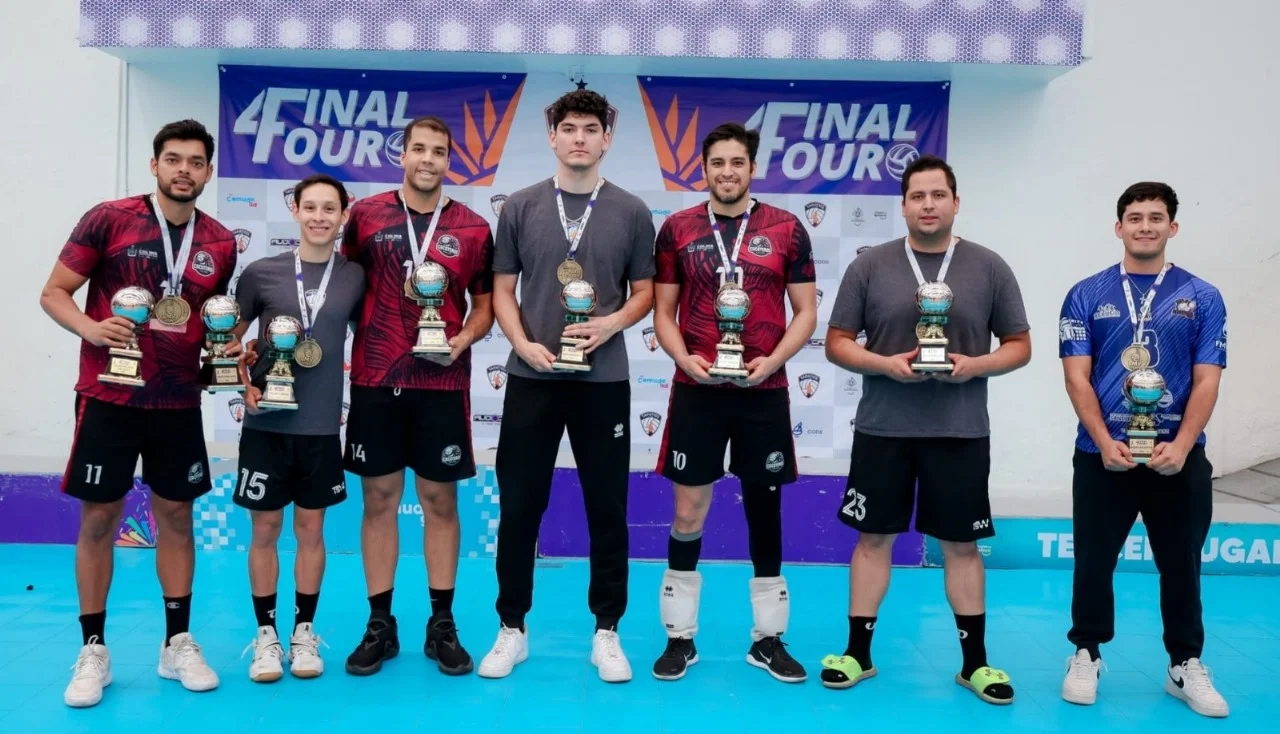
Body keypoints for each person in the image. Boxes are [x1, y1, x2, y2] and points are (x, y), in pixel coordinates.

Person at [40, 119, 239, 707]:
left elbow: (210, 319)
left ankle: (177, 642)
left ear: (208, 171)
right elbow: (54, 292)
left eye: (195, 162)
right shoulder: (109, 218)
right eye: (173, 159)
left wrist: (225, 355)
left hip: (177, 400)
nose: (184, 170)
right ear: (155, 165)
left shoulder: (220, 242)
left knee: (177, 518)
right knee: (100, 519)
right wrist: (89, 327)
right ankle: (93, 649)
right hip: (110, 395)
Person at [819, 155, 1030, 704]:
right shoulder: (871, 266)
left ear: (956, 203)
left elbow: (1019, 346)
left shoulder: (989, 267)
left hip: (959, 431)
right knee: (873, 539)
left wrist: (976, 365)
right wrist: (883, 364)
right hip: (884, 428)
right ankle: (858, 654)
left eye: (938, 195)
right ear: (904, 205)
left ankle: (975, 664)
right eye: (918, 196)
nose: (928, 205)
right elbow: (837, 342)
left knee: (962, 545)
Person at [479, 89, 656, 683]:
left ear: (607, 138)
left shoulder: (632, 211)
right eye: (570, 128)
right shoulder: (521, 206)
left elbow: (646, 293)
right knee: (520, 504)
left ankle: (607, 631)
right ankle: (512, 627)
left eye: (590, 129)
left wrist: (610, 323)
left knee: (607, 505)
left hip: (602, 380)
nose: (580, 138)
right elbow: (502, 290)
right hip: (532, 375)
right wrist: (522, 343)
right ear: (552, 136)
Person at [649, 123, 816, 683]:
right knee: (688, 511)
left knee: (763, 509)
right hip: (697, 390)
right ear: (704, 169)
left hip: (762, 391)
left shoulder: (787, 228)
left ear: (752, 168)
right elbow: (662, 313)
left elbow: (806, 313)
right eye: (717, 162)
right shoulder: (677, 229)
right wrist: (683, 358)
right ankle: (679, 638)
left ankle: (768, 640)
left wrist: (773, 361)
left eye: (737, 162)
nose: (727, 172)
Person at [1058, 182, 1228, 718]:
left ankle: (1185, 663)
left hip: (1177, 458)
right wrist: (1102, 440)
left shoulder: (1203, 296)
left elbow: (1207, 379)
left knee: (1182, 563)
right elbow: (1076, 377)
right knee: (1093, 560)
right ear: (1119, 227)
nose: (1145, 226)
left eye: (1156, 217)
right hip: (1102, 455)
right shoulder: (1085, 294)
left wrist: (1183, 445)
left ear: (1172, 227)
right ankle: (1086, 652)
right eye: (1135, 217)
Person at [339, 115, 495, 677]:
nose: (428, 159)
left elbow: (485, 306)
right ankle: (380, 623)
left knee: (440, 503)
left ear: (449, 160)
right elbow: (339, 290)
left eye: (439, 151)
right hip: (376, 379)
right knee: (379, 501)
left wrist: (462, 340)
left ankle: (441, 623)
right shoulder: (364, 216)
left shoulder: (474, 227)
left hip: (442, 383)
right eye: (419, 149)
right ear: (402, 155)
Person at [230, 174, 366, 682]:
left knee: (311, 530)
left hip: (320, 427)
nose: (319, 217)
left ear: (344, 215)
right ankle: (266, 636)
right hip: (266, 425)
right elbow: (228, 342)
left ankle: (303, 633)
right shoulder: (261, 273)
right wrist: (243, 383)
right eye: (311, 207)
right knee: (265, 529)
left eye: (330, 209)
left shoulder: (354, 276)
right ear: (295, 211)